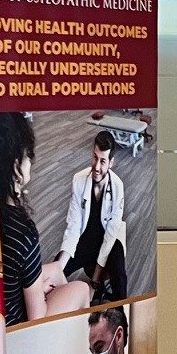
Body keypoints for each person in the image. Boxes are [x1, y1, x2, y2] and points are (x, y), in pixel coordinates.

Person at [0, 111, 90, 326]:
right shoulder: (21, 230)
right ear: (16, 165)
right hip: (11, 326)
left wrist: (37, 287)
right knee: (82, 289)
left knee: (55, 269)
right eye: (28, 156)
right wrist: (38, 293)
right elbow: (36, 317)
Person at [58, 129, 128, 302]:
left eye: (103, 161)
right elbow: (73, 227)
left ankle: (121, 311)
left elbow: (111, 231)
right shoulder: (79, 180)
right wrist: (59, 266)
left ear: (111, 163)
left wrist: (96, 275)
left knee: (120, 274)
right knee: (56, 274)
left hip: (108, 241)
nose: (96, 167)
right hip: (85, 240)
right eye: (95, 157)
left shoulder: (118, 186)